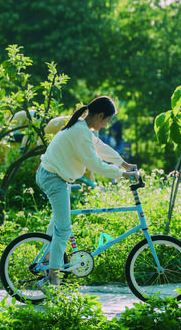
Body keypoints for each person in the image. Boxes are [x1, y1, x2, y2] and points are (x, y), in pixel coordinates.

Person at [35, 96, 137, 289]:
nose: (106, 125)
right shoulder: (80, 133)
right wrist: (123, 175)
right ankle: (52, 279)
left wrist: (123, 164)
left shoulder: (84, 129)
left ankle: (48, 261)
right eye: (107, 120)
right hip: (52, 178)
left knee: (58, 225)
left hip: (56, 176)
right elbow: (94, 164)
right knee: (63, 230)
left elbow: (100, 148)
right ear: (99, 115)